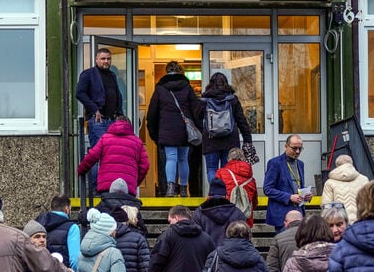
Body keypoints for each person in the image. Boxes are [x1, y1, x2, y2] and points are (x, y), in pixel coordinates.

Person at [146, 61, 197, 197]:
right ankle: (184, 189)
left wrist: (154, 132)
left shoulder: (160, 89)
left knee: (171, 158)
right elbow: (195, 108)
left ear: (166, 71)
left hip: (166, 129)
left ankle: (170, 188)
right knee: (183, 159)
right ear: (180, 71)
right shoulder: (187, 88)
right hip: (184, 130)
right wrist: (198, 127)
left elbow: (152, 113)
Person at [75, 48, 124, 188]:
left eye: (108, 59)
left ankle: (107, 186)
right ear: (96, 59)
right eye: (103, 59)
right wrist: (94, 108)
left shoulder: (112, 75)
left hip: (112, 121)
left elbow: (117, 95)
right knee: (98, 154)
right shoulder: (88, 74)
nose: (106, 61)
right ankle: (96, 188)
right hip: (98, 120)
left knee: (111, 155)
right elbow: (79, 93)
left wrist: (119, 114)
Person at [199, 72, 253, 190]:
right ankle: (225, 194)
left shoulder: (204, 100)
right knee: (228, 169)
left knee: (211, 169)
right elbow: (241, 120)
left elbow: (197, 118)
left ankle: (215, 192)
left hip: (210, 140)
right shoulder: (232, 100)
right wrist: (247, 139)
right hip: (230, 140)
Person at [76, 116, 149, 195]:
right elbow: (145, 165)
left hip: (107, 186)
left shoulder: (105, 138)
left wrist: (81, 170)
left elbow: (92, 156)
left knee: (107, 206)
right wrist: (134, 182)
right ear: (130, 126)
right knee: (126, 207)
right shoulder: (137, 142)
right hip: (127, 188)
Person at [264, 135, 307, 234]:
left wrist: (306, 195)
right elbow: (268, 189)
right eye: (294, 148)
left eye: (300, 149)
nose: (297, 152)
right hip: (282, 215)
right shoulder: (275, 163)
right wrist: (289, 197)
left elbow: (298, 185)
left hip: (299, 212)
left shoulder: (300, 164)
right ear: (286, 146)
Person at [191, 178, 247, 247]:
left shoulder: (199, 213)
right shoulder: (237, 213)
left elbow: (195, 240)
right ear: (226, 196)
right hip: (231, 255)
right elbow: (244, 240)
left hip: (207, 255)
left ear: (208, 196)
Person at [321, 154, 369, 224]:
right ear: (351, 164)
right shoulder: (364, 180)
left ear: (337, 166)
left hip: (340, 223)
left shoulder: (329, 183)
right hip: (361, 222)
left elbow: (326, 206)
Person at [216, 147, 258, 227]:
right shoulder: (251, 179)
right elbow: (254, 202)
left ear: (229, 159)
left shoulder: (221, 173)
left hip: (226, 216)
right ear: (243, 159)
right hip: (245, 219)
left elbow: (215, 195)